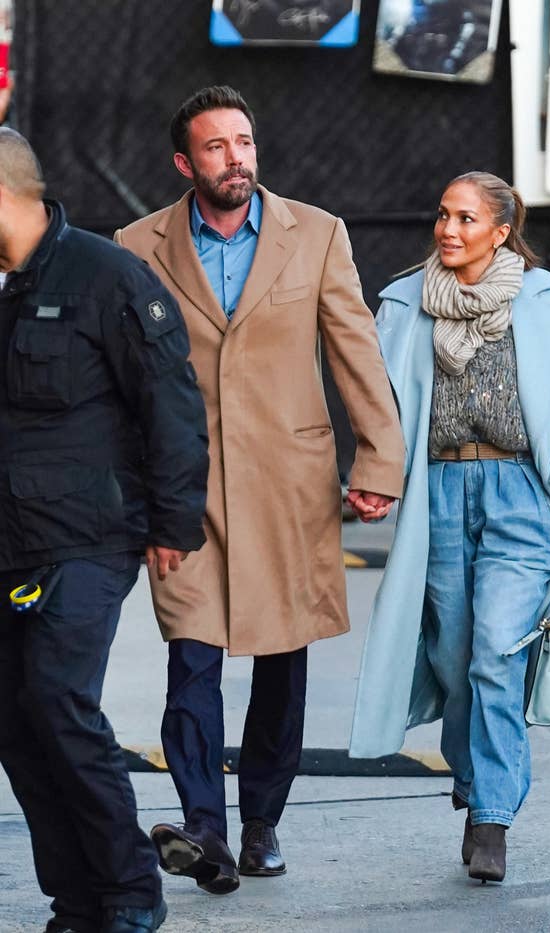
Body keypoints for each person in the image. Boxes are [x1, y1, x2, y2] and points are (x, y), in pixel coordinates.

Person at [115, 86, 405, 895]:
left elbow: (356, 352)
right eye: (216, 146)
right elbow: (123, 380)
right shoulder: (136, 247)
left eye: (243, 140)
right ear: (185, 162)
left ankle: (261, 821)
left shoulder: (316, 234)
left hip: (289, 483)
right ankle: (203, 824)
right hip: (185, 488)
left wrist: (378, 462)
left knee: (282, 662)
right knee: (192, 656)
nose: (236, 156)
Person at [349, 172, 550, 883]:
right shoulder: (405, 301)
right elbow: (377, 403)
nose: (448, 229)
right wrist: (375, 475)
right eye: (442, 215)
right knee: (455, 655)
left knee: (495, 651)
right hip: (439, 493)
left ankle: (491, 814)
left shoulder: (540, 300)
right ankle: (475, 770)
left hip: (520, 490)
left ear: (500, 230)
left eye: (465, 218)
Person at [0, 129, 209, 933]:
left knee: (58, 698)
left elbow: (172, 402)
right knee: (16, 719)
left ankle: (130, 891)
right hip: (11, 538)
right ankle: (79, 900)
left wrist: (173, 521)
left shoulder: (106, 276)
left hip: (88, 534)